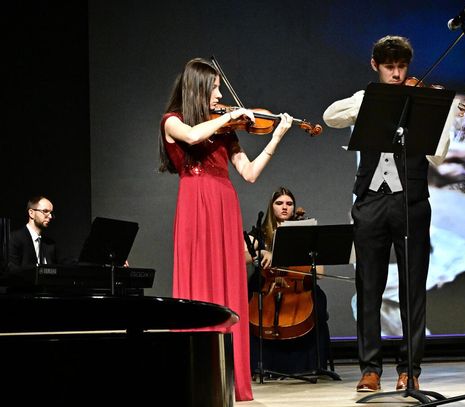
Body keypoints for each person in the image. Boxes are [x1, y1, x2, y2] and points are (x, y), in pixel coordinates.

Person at [158, 58, 293, 402]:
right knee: (197, 281)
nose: (220, 95)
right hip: (195, 201)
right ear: (198, 87)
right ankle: (196, 374)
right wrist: (230, 117)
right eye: (215, 88)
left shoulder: (225, 130)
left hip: (224, 203)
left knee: (228, 282)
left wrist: (276, 137)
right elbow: (192, 135)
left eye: (219, 88)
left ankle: (231, 378)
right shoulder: (173, 120)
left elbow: (249, 173)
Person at [323, 35, 449, 392]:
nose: (396, 74)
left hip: (411, 201)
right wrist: (372, 102)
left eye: (401, 67)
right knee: (368, 287)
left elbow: (439, 156)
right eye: (389, 67)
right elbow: (330, 117)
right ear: (375, 66)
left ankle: (410, 369)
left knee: (413, 288)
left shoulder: (422, 100)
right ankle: (370, 369)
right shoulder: (364, 98)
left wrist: (432, 112)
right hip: (370, 202)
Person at [245, 186, 331, 377]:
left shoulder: (304, 231)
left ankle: (310, 364)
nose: (285, 207)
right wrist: (262, 252)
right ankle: (261, 364)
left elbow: (320, 273)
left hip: (298, 289)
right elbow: (239, 256)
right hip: (267, 288)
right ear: (271, 206)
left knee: (318, 301)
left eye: (289, 203)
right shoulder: (260, 233)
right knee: (252, 303)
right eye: (279, 203)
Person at [8, 195, 57, 271]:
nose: (50, 216)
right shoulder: (13, 239)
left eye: (51, 213)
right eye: (45, 211)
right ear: (31, 213)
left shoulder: (50, 243)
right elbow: (13, 271)